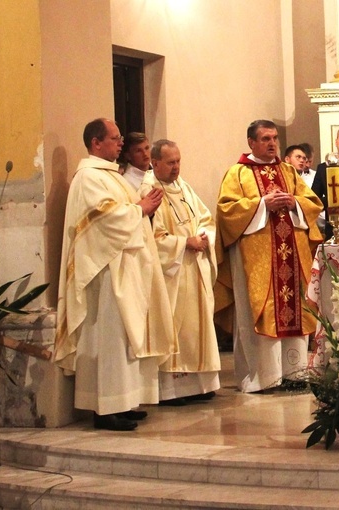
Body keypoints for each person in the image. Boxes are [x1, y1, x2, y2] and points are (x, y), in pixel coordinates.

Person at [53, 118, 176, 431]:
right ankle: (105, 408)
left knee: (128, 338)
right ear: (96, 143)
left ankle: (126, 400)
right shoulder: (89, 177)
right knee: (110, 339)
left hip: (126, 265)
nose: (120, 143)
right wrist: (141, 208)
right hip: (107, 271)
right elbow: (104, 217)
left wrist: (141, 205)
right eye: (115, 138)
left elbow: (124, 207)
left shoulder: (110, 175)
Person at [214, 119, 323, 393]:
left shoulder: (288, 171)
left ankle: (294, 373)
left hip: (292, 257)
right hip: (258, 262)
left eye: (274, 138)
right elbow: (227, 211)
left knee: (296, 308)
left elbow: (312, 202)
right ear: (251, 142)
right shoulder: (237, 174)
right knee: (262, 312)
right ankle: (264, 377)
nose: (272, 143)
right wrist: (262, 204)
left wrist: (294, 202)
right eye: (265, 139)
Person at [139, 139, 221, 404]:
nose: (176, 167)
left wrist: (203, 236)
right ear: (156, 163)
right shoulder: (150, 189)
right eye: (171, 163)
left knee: (199, 327)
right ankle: (173, 390)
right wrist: (185, 243)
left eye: (178, 161)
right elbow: (151, 237)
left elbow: (206, 217)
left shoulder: (182, 186)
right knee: (176, 326)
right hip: (173, 272)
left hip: (195, 265)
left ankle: (201, 385)